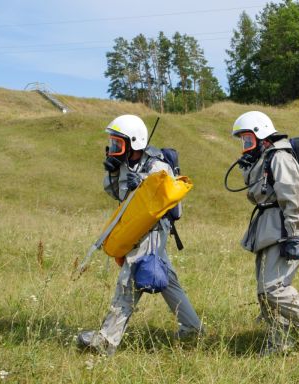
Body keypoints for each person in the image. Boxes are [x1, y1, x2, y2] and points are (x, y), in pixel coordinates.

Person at [77, 114, 204, 355]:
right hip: (135, 227)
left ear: (134, 142)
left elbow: (164, 192)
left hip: (153, 230)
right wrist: (113, 172)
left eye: (118, 144)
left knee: (129, 280)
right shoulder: (125, 164)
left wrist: (144, 182)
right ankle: (193, 329)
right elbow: (117, 194)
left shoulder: (156, 164)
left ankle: (106, 340)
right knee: (169, 282)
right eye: (113, 143)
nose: (114, 148)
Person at [230, 111, 299, 355]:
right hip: (268, 229)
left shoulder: (279, 157)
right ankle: (280, 342)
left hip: (284, 229)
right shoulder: (265, 159)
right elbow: (260, 193)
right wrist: (248, 169)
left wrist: (296, 235)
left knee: (273, 289)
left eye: (248, 140)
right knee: (264, 293)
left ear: (262, 137)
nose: (245, 147)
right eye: (243, 141)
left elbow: (293, 197)